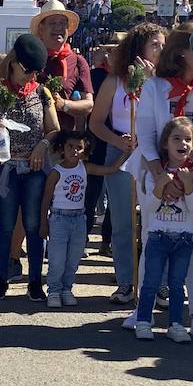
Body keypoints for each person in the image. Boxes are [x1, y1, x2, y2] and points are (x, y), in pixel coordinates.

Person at [135, 25, 193, 340]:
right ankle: (142, 312)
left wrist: (189, 176)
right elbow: (144, 135)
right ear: (182, 51)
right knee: (151, 239)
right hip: (156, 176)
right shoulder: (154, 88)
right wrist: (162, 175)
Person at [0, 34, 59, 302]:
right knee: (3, 224)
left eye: (35, 71)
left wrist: (42, 145)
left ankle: (35, 280)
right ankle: (2, 276)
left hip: (34, 167)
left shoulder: (42, 92)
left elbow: (54, 130)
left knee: (35, 224)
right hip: (6, 167)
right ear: (13, 63)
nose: (30, 76)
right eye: (27, 70)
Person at [89, 25, 157, 302]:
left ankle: (157, 282)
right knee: (122, 223)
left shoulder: (163, 82)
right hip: (120, 155)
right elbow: (95, 123)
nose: (161, 50)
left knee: (155, 222)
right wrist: (117, 142)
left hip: (153, 156)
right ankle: (126, 280)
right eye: (155, 44)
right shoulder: (114, 82)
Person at [134, 117, 193, 342]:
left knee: (177, 284)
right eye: (176, 138)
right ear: (165, 144)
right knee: (151, 282)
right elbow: (148, 208)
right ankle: (143, 321)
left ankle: (176, 324)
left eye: (188, 139)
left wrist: (188, 185)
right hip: (158, 235)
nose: (182, 143)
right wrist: (160, 186)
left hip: (184, 238)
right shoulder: (153, 174)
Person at [40, 129, 126, 308]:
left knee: (73, 258)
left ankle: (66, 289)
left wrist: (127, 152)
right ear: (62, 149)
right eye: (70, 147)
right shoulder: (56, 172)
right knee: (56, 259)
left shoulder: (85, 168)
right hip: (59, 219)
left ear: (84, 151)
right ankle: (54, 290)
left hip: (79, 219)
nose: (74, 151)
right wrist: (43, 223)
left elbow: (110, 169)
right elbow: (46, 199)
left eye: (79, 148)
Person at [30, 0, 93, 132]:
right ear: (41, 29)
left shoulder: (78, 61)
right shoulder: (30, 57)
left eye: (62, 23)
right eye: (53, 23)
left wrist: (64, 105)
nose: (58, 27)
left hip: (64, 144)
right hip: (33, 137)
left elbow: (88, 104)